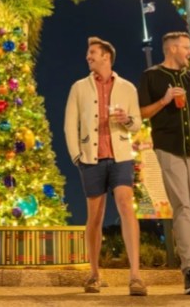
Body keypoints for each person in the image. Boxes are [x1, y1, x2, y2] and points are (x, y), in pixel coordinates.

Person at [138, 31, 190, 295]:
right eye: (186, 48)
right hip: (168, 149)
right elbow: (141, 113)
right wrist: (164, 101)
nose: (189, 52)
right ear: (172, 49)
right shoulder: (151, 76)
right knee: (182, 207)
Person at [64, 36, 147, 297]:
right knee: (95, 216)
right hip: (91, 159)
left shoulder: (127, 88)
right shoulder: (79, 87)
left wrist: (127, 119)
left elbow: (137, 124)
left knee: (125, 205)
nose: (88, 57)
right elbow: (70, 124)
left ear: (106, 57)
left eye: (93, 53)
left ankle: (135, 276)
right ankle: (94, 274)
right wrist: (77, 156)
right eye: (88, 53)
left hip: (121, 155)